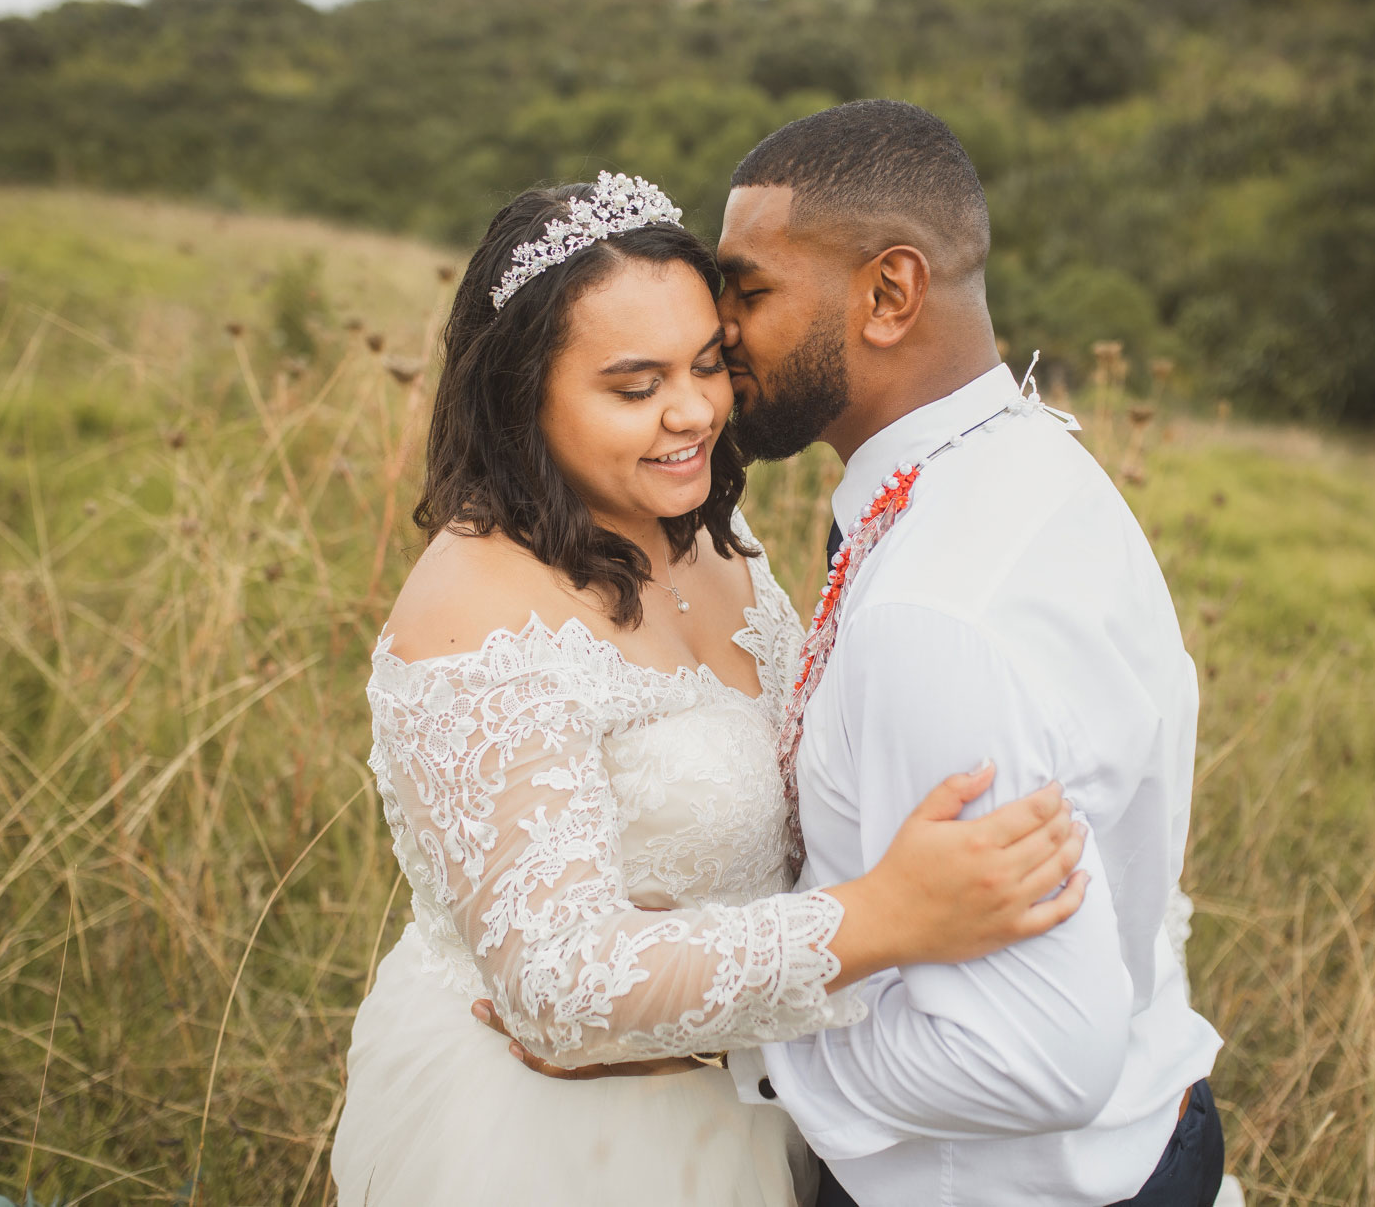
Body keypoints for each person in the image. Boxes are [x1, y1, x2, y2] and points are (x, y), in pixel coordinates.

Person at [498, 102, 1228, 1206]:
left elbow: (1032, 1054)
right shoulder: (1030, 460)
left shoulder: (934, 612)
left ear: (887, 294)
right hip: (1148, 1132)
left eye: (747, 291)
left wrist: (721, 1048)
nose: (718, 331)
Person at [330, 171, 1094, 1207]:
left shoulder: (715, 538)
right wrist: (879, 917)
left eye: (706, 365)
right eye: (634, 387)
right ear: (522, 396)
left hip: (745, 1100)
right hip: (560, 1138)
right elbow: (557, 987)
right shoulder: (475, 607)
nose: (691, 413)